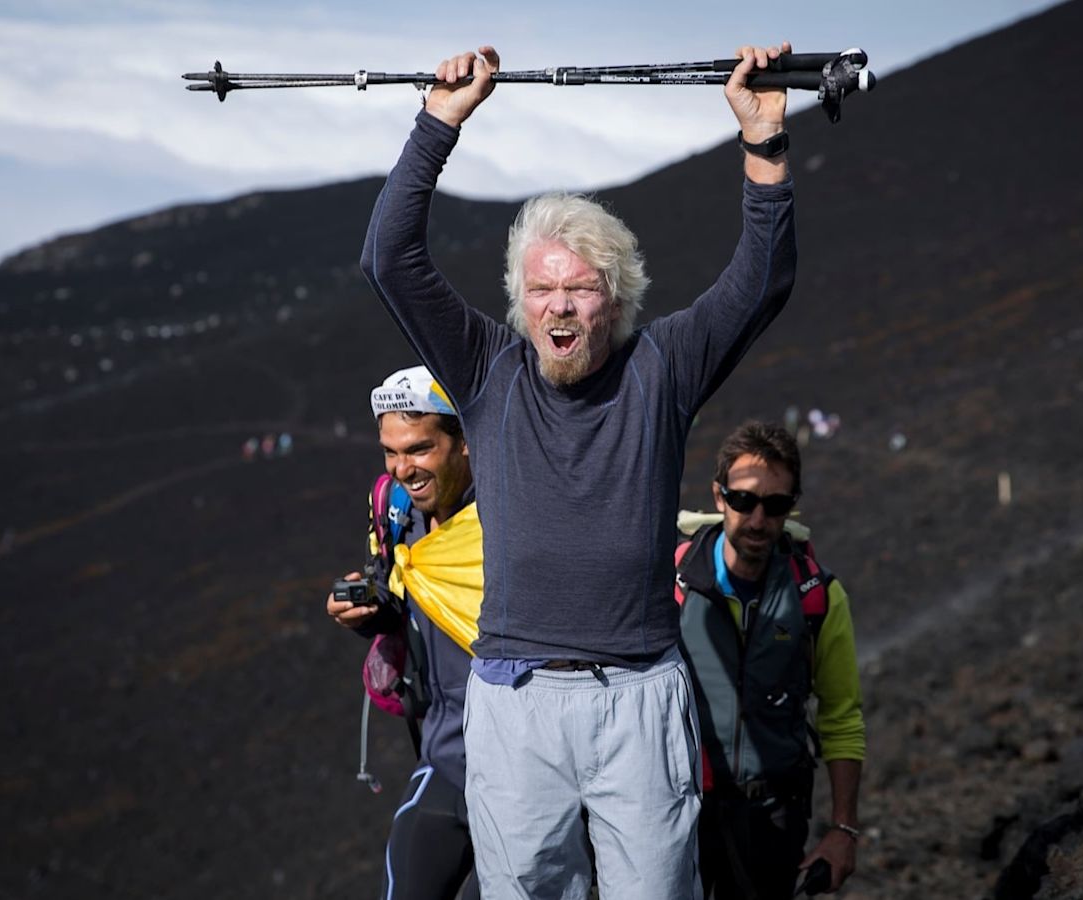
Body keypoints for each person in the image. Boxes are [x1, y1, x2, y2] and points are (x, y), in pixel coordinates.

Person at [361, 41, 798, 900]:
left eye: (582, 288)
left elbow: (761, 283)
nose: (559, 305)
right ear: (520, 304)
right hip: (513, 702)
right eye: (541, 290)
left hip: (639, 696)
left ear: (618, 296)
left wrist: (765, 145)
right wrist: (438, 124)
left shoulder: (661, 367)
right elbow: (389, 261)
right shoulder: (486, 368)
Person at [675, 422, 865, 898]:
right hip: (678, 813)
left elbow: (842, 716)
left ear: (792, 505)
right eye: (743, 501)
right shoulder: (670, 586)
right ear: (719, 497)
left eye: (775, 505)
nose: (757, 519)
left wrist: (843, 829)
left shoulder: (819, 598)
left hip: (773, 821)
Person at [327, 365, 481, 900]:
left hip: (528, 771)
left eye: (418, 448)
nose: (402, 469)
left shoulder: (511, 517)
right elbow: (407, 604)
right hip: (443, 755)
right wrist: (369, 614)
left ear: (463, 441)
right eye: (390, 452)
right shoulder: (399, 513)